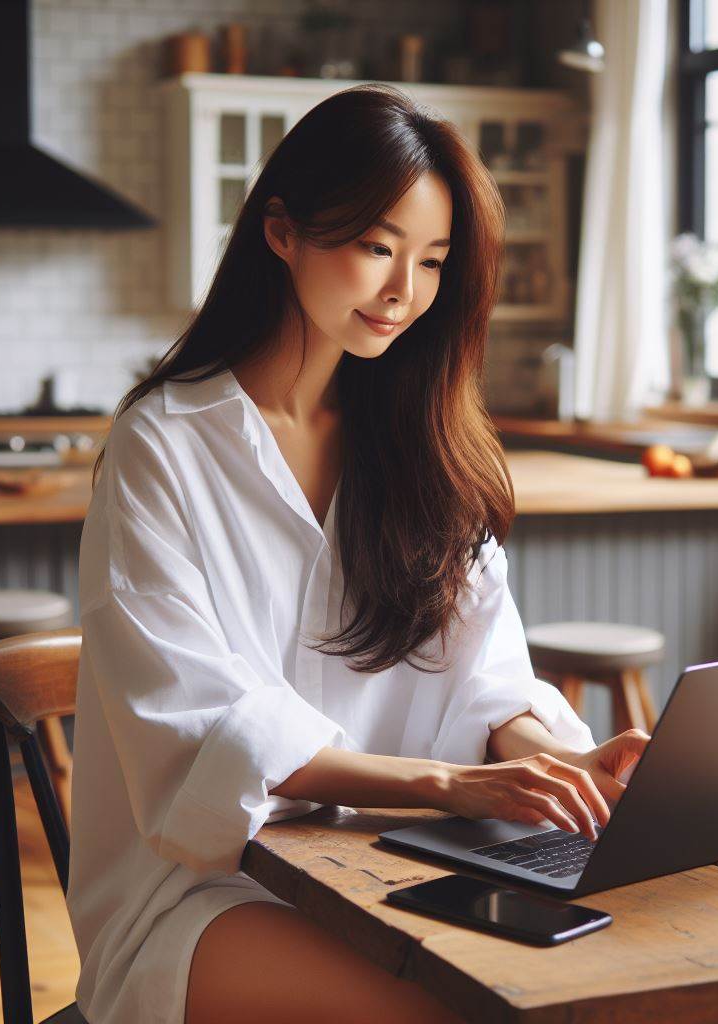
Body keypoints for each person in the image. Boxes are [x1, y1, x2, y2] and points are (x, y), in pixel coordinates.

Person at [67, 83, 650, 1024]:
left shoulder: (424, 444)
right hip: (201, 898)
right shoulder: (163, 446)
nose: (402, 294)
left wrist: (550, 763)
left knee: (606, 977)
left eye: (431, 261)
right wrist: (454, 787)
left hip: (391, 865)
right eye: (377, 248)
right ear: (281, 231)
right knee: (463, 1008)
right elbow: (202, 723)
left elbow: (488, 680)